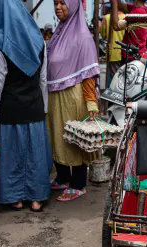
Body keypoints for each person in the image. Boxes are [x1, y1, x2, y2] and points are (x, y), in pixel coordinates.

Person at [0, 0, 52, 212]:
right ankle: (36, 199)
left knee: (13, 155)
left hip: (11, 110)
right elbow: (43, 80)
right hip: (34, 108)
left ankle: (15, 198)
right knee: (35, 156)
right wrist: (43, 108)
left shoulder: (0, 44)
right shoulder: (39, 41)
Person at [47, 0, 100, 201]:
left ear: (74, 5)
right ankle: (63, 177)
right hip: (56, 96)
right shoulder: (60, 32)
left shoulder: (82, 37)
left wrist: (91, 103)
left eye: (63, 2)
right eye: (55, 3)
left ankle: (78, 184)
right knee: (58, 137)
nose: (58, 7)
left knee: (74, 139)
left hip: (73, 97)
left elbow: (88, 75)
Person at [100, 6, 125, 84]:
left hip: (113, 52)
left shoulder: (106, 18)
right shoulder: (126, 17)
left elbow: (103, 34)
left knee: (115, 77)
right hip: (125, 51)